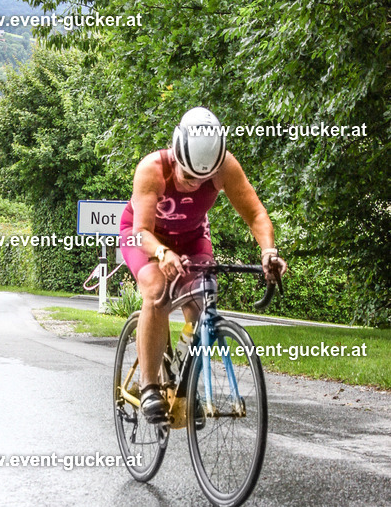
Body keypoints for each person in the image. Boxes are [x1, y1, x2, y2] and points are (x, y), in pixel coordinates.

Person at [119, 107, 287, 422]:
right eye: (187, 176)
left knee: (201, 303)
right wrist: (162, 254)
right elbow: (141, 231)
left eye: (203, 178)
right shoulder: (152, 169)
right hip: (143, 236)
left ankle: (185, 378)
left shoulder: (225, 167)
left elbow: (256, 215)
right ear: (176, 157)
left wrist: (268, 251)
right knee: (157, 291)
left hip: (192, 236)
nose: (195, 184)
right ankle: (150, 386)